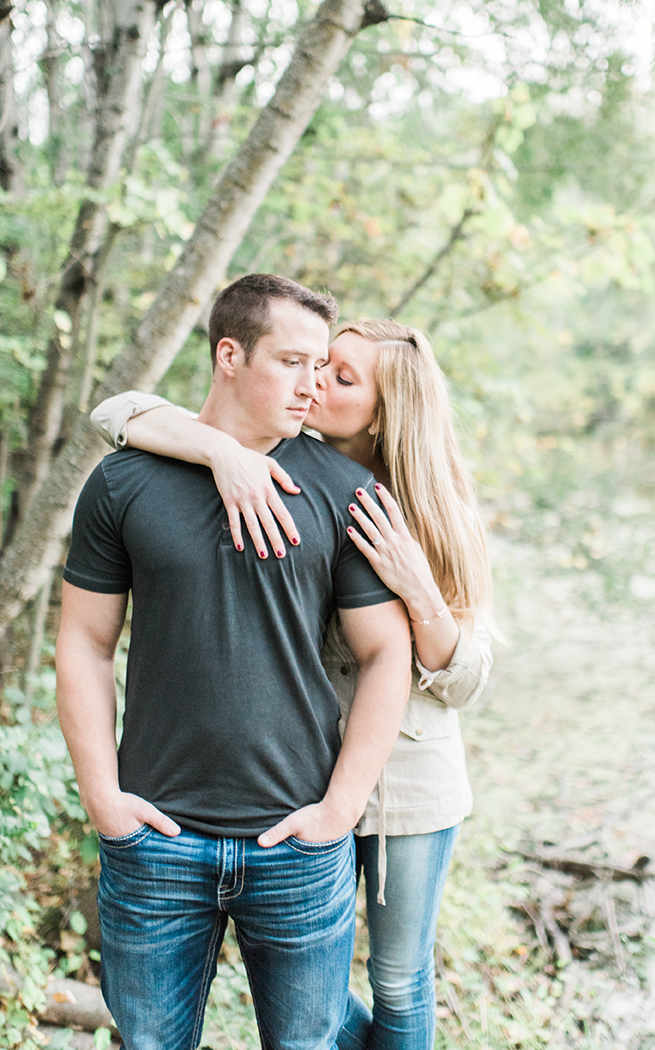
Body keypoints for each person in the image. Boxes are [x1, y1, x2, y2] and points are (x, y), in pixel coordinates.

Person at [91, 316, 494, 1050]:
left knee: (398, 978)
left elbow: (464, 679)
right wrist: (218, 448)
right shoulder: (271, 459)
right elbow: (115, 413)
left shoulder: (428, 508)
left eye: (338, 377)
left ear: (385, 410)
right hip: (298, 760)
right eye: (308, 365)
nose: (312, 384)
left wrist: (418, 591)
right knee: (316, 989)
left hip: (403, 772)